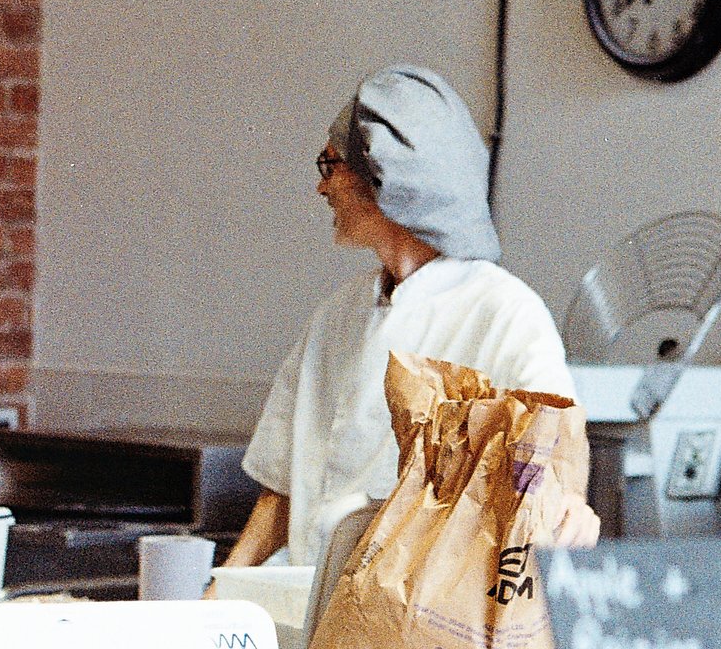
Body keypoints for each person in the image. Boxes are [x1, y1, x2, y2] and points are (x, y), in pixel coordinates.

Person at [223, 66, 576, 571]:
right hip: (307, 610)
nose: (322, 190)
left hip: (416, 631)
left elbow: (548, 480)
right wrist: (218, 602)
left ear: (386, 178)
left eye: (330, 165)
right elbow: (280, 494)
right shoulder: (339, 316)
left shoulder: (505, 315)